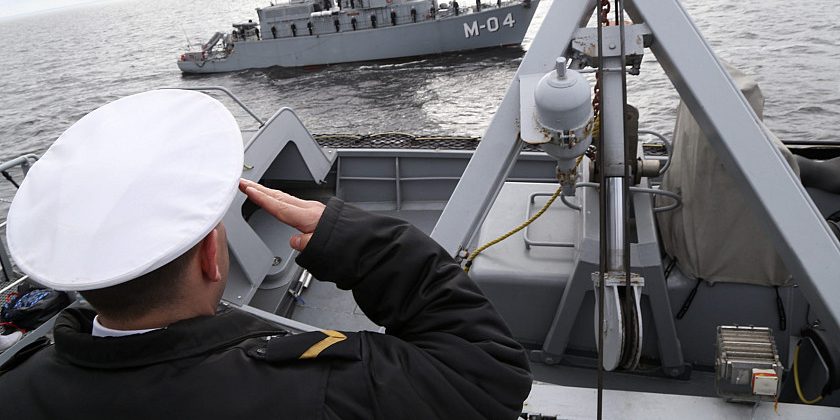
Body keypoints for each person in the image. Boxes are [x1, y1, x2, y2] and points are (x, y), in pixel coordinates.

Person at [0, 90, 532, 419]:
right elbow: (487, 376)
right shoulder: (320, 390)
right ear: (212, 256)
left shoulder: (17, 387)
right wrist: (357, 239)